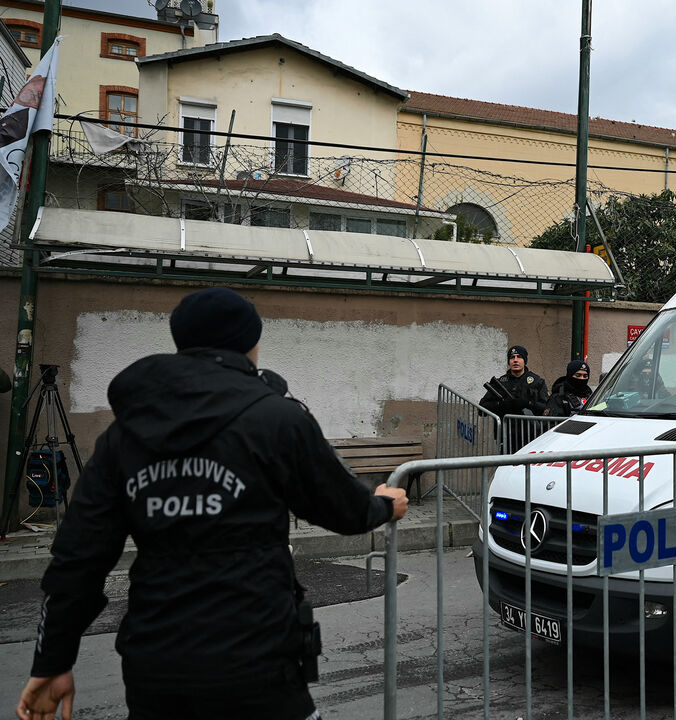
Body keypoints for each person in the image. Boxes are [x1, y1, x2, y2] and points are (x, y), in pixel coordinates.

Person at [15, 287, 409, 720]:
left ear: (181, 342)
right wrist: (384, 506)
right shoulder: (278, 419)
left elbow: (77, 558)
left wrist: (52, 661)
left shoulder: (125, 434)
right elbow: (343, 508)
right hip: (259, 661)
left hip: (157, 666)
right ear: (252, 344)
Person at [479, 345, 549, 419]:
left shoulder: (537, 381)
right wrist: (500, 404)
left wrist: (528, 403)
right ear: (509, 361)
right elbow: (481, 410)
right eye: (512, 357)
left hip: (529, 428)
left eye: (519, 357)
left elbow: (546, 408)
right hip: (505, 429)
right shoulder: (500, 382)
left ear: (524, 361)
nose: (515, 360)